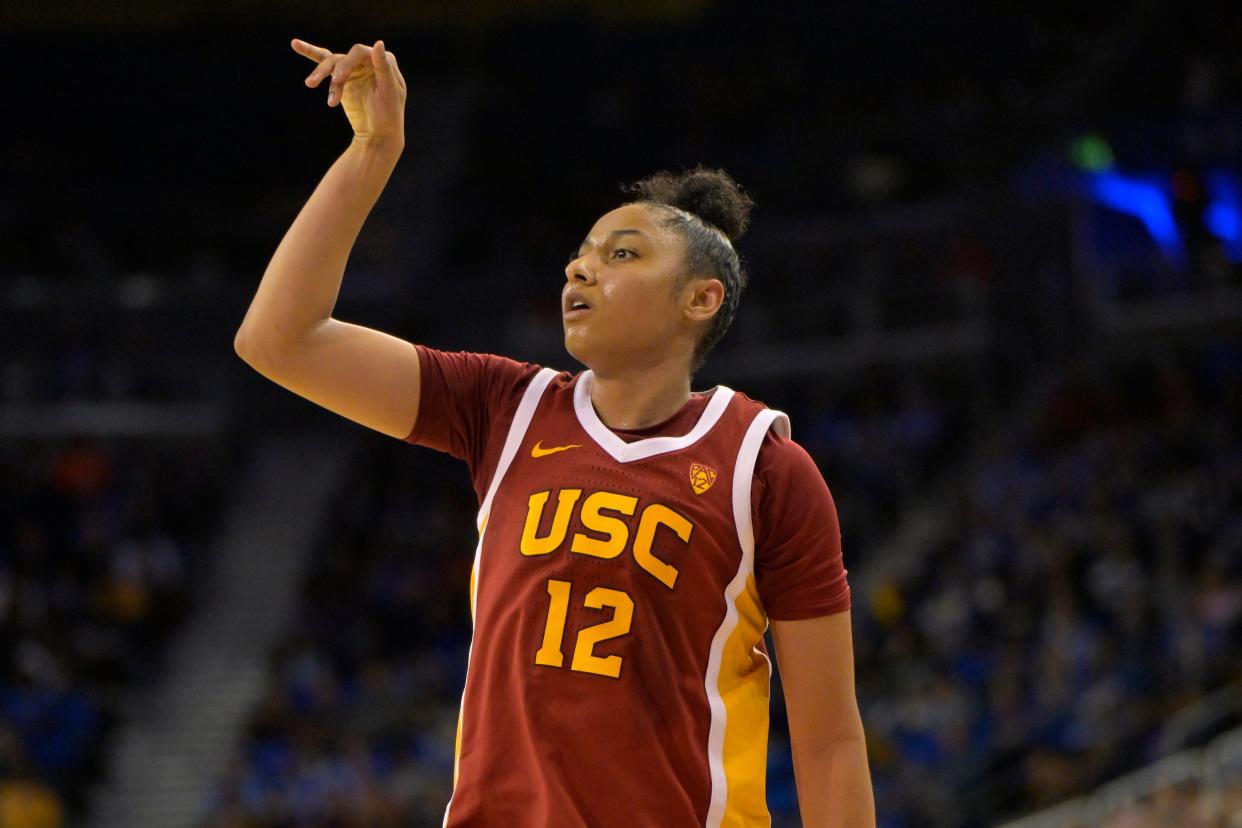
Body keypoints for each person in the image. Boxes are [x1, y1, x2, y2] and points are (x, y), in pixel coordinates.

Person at [234, 37, 875, 828]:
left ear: (700, 300)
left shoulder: (763, 468)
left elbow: (829, 741)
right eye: (579, 255)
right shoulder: (506, 406)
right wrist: (374, 151)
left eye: (621, 254)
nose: (580, 269)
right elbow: (279, 339)